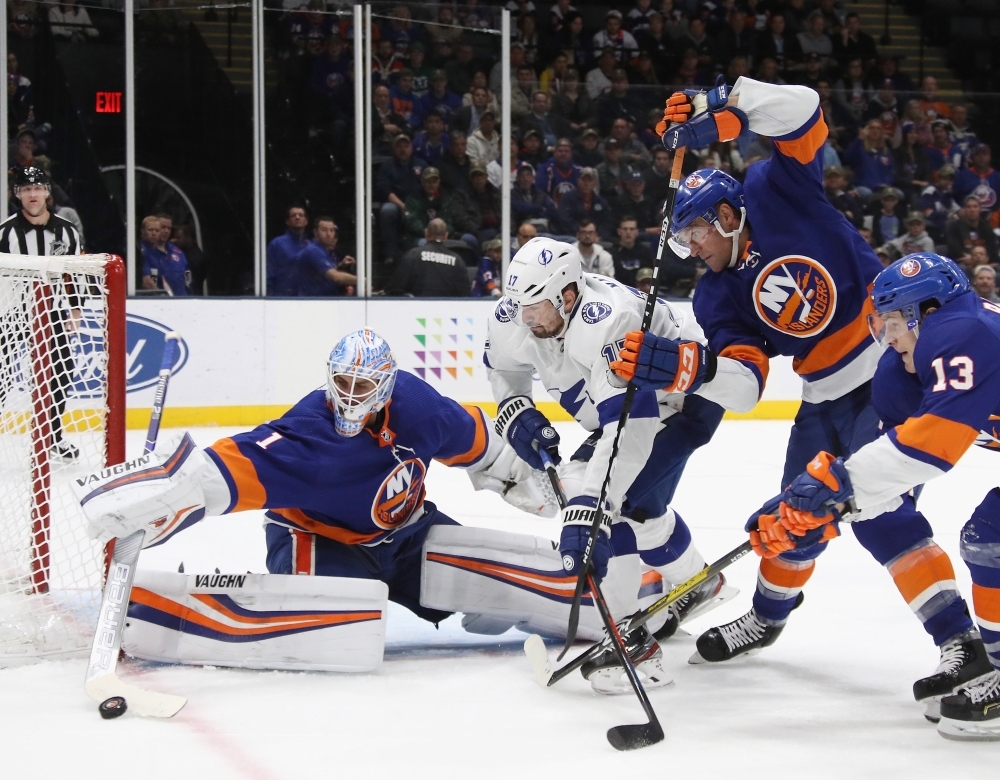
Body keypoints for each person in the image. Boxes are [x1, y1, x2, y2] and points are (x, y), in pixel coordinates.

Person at [615, 80, 971, 696]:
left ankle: (960, 643)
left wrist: (723, 104)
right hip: (818, 397)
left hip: (884, 369)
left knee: (882, 515)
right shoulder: (715, 293)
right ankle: (768, 618)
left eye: (694, 233)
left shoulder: (774, 189)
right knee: (790, 517)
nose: (690, 249)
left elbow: (803, 109)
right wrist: (685, 368)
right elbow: (747, 385)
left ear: (726, 217)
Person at [76, 329, 634, 675]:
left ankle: (638, 594)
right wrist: (159, 493)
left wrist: (549, 485)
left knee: (543, 581)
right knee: (352, 625)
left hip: (409, 534)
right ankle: (165, 610)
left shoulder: (422, 409)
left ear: (387, 386)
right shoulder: (306, 436)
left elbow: (486, 449)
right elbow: (217, 472)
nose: (350, 395)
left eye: (364, 386)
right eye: (343, 382)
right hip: (318, 540)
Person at [767, 254, 1000, 740]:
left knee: (992, 540)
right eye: (882, 324)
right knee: (987, 537)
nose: (887, 338)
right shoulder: (902, 371)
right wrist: (826, 509)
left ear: (928, 311)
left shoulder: (961, 331)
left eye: (894, 322)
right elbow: (891, 473)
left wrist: (843, 487)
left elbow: (935, 445)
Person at [484, 237, 734, 690]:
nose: (524, 317)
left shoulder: (611, 322)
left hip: (684, 400)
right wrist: (514, 408)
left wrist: (593, 509)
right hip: (628, 413)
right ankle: (697, 584)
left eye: (535, 307)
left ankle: (632, 644)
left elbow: (629, 431)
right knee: (635, 510)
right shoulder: (516, 313)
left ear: (567, 294)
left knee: (605, 504)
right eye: (518, 305)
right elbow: (504, 368)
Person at [0, 166, 83, 461]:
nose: (32, 195)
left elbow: (75, 273)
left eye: (37, 189)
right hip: (13, 314)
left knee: (60, 373)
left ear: (47, 192)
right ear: (17, 195)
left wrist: (75, 308)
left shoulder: (67, 232)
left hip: (55, 313)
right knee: (2, 375)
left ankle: (53, 437)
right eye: (25, 190)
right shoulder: (5, 232)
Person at [376, 134, 427, 263]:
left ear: (411, 148)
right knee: (387, 210)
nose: (403, 149)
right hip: (397, 205)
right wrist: (403, 206)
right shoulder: (387, 167)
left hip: (418, 203)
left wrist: (414, 206)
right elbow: (385, 190)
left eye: (406, 146)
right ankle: (390, 253)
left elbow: (428, 187)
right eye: (399, 146)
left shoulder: (421, 164)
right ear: (393, 149)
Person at [388, 219, 469, 297]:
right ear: (446, 235)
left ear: (426, 233)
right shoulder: (457, 260)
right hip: (447, 309)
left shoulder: (413, 255)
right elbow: (464, 295)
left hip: (417, 308)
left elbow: (396, 288)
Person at [295, 217, 357, 297]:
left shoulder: (325, 250)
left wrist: (340, 266)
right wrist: (362, 280)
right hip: (314, 304)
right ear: (315, 232)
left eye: (331, 230)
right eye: (324, 230)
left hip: (324, 302)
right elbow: (336, 277)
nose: (328, 234)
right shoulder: (314, 250)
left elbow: (323, 274)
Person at [141, 212, 190, 297]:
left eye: (169, 228)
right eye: (163, 227)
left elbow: (188, 280)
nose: (166, 231)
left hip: (182, 301)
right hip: (158, 302)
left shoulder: (178, 252)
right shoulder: (144, 252)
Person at [556, 167, 613, 238]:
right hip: (572, 237)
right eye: (583, 180)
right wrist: (582, 234)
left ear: (595, 183)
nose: (586, 183)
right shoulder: (567, 198)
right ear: (578, 181)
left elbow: (606, 223)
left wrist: (597, 236)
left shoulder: (601, 202)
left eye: (589, 180)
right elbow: (565, 220)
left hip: (595, 239)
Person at [266, 205, 310, 297]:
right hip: (283, 298)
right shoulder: (277, 244)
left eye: (300, 215)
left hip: (307, 299)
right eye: (293, 215)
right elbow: (269, 274)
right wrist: (270, 298)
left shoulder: (311, 246)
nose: (297, 217)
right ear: (287, 222)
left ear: (306, 221)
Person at [946, 196, 999, 268]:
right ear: (964, 209)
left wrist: (977, 260)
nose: (972, 210)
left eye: (975, 207)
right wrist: (975, 260)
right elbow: (954, 250)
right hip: (964, 265)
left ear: (980, 209)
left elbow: (992, 250)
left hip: (985, 264)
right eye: (968, 207)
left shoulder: (986, 227)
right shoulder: (954, 226)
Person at [954, 144, 1000, 222]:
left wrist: (997, 215)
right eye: (978, 154)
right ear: (973, 157)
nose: (981, 157)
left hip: (994, 219)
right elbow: (953, 197)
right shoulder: (962, 176)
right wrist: (958, 210)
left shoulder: (998, 177)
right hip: (967, 219)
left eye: (984, 154)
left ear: (989, 157)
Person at [510, 162, 559, 233]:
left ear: (533, 178)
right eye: (522, 176)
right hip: (520, 230)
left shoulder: (541, 194)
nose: (525, 179)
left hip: (542, 228)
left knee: (569, 240)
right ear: (517, 178)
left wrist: (534, 211)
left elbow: (552, 212)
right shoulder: (512, 194)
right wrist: (540, 208)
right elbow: (519, 208)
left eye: (528, 176)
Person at [535, 137, 581, 206]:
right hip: (551, 210)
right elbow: (540, 193)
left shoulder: (579, 170)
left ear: (571, 154)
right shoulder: (545, 169)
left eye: (566, 151)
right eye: (560, 151)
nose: (563, 153)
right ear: (554, 153)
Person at [609, 215, 653, 286]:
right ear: (619, 232)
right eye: (625, 229)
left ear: (637, 232)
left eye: (632, 229)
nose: (628, 232)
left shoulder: (645, 253)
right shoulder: (611, 254)